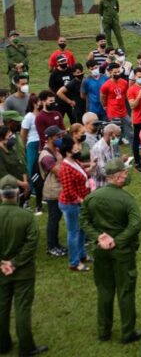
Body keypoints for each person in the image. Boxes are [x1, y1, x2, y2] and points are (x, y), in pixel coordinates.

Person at [80, 157, 141, 344]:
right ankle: (127, 332)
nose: (126, 174)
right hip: (123, 252)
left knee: (105, 291)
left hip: (101, 250)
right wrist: (118, 240)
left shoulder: (92, 197)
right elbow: (135, 225)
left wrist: (99, 236)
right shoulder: (127, 200)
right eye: (124, 172)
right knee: (126, 291)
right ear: (116, 177)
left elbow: (83, 220)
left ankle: (103, 331)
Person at [0, 174, 48, 357]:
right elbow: (31, 244)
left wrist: (3, 264)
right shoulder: (26, 217)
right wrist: (15, 262)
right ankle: (26, 346)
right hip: (23, 271)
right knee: (22, 308)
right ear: (18, 193)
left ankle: (2, 344)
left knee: (2, 306)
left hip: (2, 272)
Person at [57, 135, 91, 272]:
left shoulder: (75, 161)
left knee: (82, 230)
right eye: (75, 145)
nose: (78, 147)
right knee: (74, 233)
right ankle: (74, 262)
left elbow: (83, 173)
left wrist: (92, 167)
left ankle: (82, 255)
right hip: (72, 204)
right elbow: (68, 190)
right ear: (68, 150)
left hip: (79, 202)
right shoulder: (65, 168)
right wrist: (81, 201)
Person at [39, 126, 66, 257]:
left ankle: (56, 244)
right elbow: (58, 171)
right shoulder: (46, 156)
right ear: (49, 138)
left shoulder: (56, 150)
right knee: (53, 220)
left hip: (59, 189)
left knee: (57, 218)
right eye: (57, 136)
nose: (60, 138)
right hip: (52, 191)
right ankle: (51, 246)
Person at [20, 95, 43, 214]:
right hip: (33, 145)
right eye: (39, 101)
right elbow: (23, 134)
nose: (41, 103)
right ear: (34, 103)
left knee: (41, 170)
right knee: (31, 170)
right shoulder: (29, 117)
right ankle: (29, 195)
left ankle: (39, 193)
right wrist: (24, 148)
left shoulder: (43, 114)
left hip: (42, 144)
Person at [100, 62, 133, 145]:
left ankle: (133, 144)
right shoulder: (105, 85)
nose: (117, 74)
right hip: (113, 112)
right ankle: (116, 149)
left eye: (118, 71)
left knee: (129, 128)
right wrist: (105, 106)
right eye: (115, 72)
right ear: (110, 72)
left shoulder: (124, 82)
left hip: (123, 111)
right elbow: (102, 98)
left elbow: (126, 95)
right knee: (115, 132)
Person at [90, 123, 121, 188]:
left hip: (109, 182)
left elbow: (110, 162)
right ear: (111, 134)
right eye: (118, 136)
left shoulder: (110, 144)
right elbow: (103, 171)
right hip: (101, 185)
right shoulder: (99, 148)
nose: (118, 138)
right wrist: (117, 173)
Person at [48, 55, 74, 123]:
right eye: (61, 61)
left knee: (74, 119)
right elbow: (51, 87)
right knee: (58, 120)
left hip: (71, 99)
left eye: (64, 61)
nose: (63, 63)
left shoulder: (71, 70)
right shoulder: (54, 74)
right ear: (57, 63)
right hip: (60, 101)